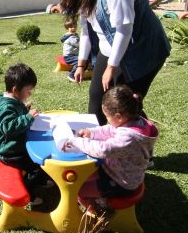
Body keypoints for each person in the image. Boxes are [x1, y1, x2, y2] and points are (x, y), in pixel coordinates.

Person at [61, 0, 170, 125]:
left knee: (124, 106)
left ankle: (140, 145)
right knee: (97, 101)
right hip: (111, 49)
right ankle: (104, 147)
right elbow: (87, 31)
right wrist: (80, 65)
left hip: (141, 52)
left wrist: (111, 67)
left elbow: (124, 29)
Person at [62, 85, 157, 213]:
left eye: (107, 117)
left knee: (78, 191)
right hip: (116, 171)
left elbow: (103, 150)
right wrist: (91, 132)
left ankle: (99, 210)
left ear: (118, 116)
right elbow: (110, 129)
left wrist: (77, 141)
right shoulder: (134, 120)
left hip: (121, 182)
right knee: (82, 177)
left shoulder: (128, 138)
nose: (107, 120)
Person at [0, 63, 49, 206]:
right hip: (9, 151)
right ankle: (30, 194)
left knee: (37, 160)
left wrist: (24, 108)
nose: (30, 94)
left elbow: (15, 113)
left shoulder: (14, 101)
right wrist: (27, 117)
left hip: (16, 146)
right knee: (35, 163)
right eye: (28, 91)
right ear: (16, 90)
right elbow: (8, 127)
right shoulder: (6, 106)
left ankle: (40, 180)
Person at [60, 16, 80, 82]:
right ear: (67, 28)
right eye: (71, 27)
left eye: (75, 26)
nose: (73, 28)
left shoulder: (75, 35)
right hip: (69, 57)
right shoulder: (70, 37)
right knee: (80, 61)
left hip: (73, 55)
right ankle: (71, 74)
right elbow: (79, 45)